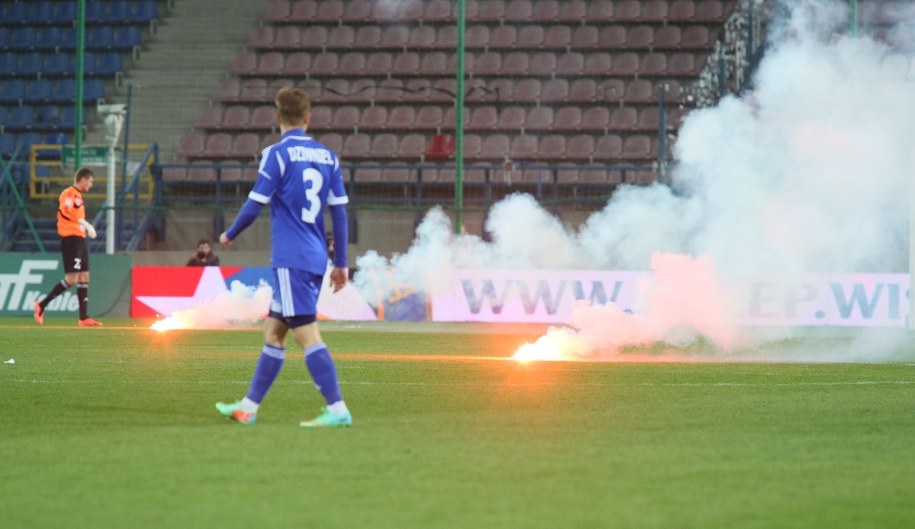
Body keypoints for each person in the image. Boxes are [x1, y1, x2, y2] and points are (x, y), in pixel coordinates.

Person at [215, 87, 351, 428]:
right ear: (308, 118)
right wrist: (343, 263)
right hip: (316, 256)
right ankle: (248, 407)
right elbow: (341, 214)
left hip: (292, 259)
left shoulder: (276, 154)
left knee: (307, 333)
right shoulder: (329, 157)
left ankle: (337, 408)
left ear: (277, 117)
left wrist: (230, 234)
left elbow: (254, 203)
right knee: (274, 331)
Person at [33, 167, 103, 327]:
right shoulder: (69, 193)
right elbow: (65, 211)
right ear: (83, 179)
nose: (90, 185)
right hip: (70, 239)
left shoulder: (79, 196)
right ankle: (41, 305)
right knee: (71, 279)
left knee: (84, 276)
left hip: (80, 239)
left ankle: (83, 318)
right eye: (90, 181)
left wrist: (84, 227)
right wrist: (85, 223)